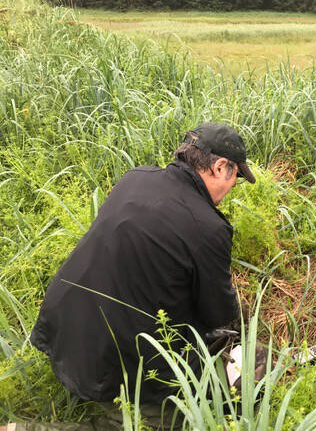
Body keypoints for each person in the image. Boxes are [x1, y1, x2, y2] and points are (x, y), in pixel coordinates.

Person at [27, 123, 255, 427]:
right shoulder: (208, 227)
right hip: (111, 361)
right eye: (235, 177)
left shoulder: (136, 178)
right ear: (220, 166)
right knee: (215, 396)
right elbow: (218, 315)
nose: (232, 187)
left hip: (63, 329)